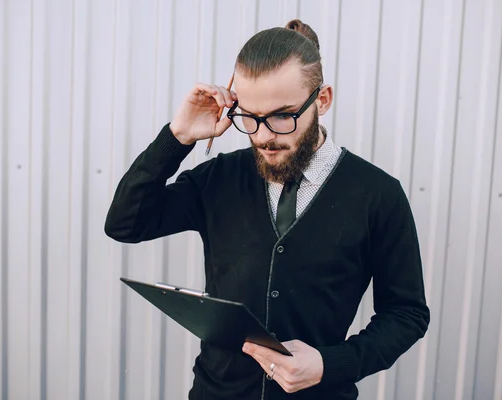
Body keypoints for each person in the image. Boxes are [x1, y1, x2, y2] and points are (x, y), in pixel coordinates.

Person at [104, 19, 430, 400]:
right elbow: (126, 223)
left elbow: (407, 315)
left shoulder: (378, 194)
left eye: (281, 116)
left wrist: (331, 363)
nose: (263, 136)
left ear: (322, 100)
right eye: (250, 117)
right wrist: (178, 137)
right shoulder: (218, 178)